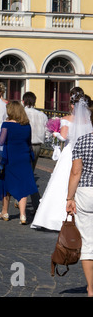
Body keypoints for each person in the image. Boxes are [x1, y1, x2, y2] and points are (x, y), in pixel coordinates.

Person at [31, 87, 93, 231]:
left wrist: (55, 134)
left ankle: (55, 218)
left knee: (61, 183)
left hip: (69, 153)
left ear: (72, 105)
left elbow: (64, 137)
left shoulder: (66, 120)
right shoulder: (88, 122)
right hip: (83, 153)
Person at [0, 101, 39, 225]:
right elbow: (28, 142)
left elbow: (2, 141)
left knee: (6, 183)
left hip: (10, 158)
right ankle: (23, 215)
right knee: (22, 185)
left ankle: (5, 212)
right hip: (24, 157)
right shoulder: (27, 125)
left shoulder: (6, 124)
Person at [66, 101, 93, 297]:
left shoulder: (83, 141)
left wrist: (69, 197)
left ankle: (91, 288)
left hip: (86, 192)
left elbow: (76, 171)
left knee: (89, 243)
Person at [23, 91, 48, 212]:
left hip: (26, 144)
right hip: (38, 145)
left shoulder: (22, 113)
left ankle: (35, 202)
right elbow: (47, 132)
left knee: (27, 175)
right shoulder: (42, 115)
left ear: (23, 101)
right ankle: (24, 199)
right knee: (29, 172)